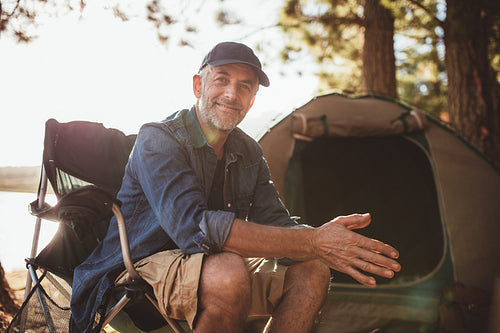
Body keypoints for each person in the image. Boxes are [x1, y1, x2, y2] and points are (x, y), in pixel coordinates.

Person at [70, 41, 401, 333]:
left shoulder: (249, 151)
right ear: (199, 85)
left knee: (313, 271)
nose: (232, 94)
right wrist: (314, 241)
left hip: (214, 262)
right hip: (140, 262)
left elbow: (276, 222)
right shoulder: (158, 138)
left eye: (245, 86)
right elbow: (194, 229)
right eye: (222, 80)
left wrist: (327, 242)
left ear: (252, 100)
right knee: (229, 270)